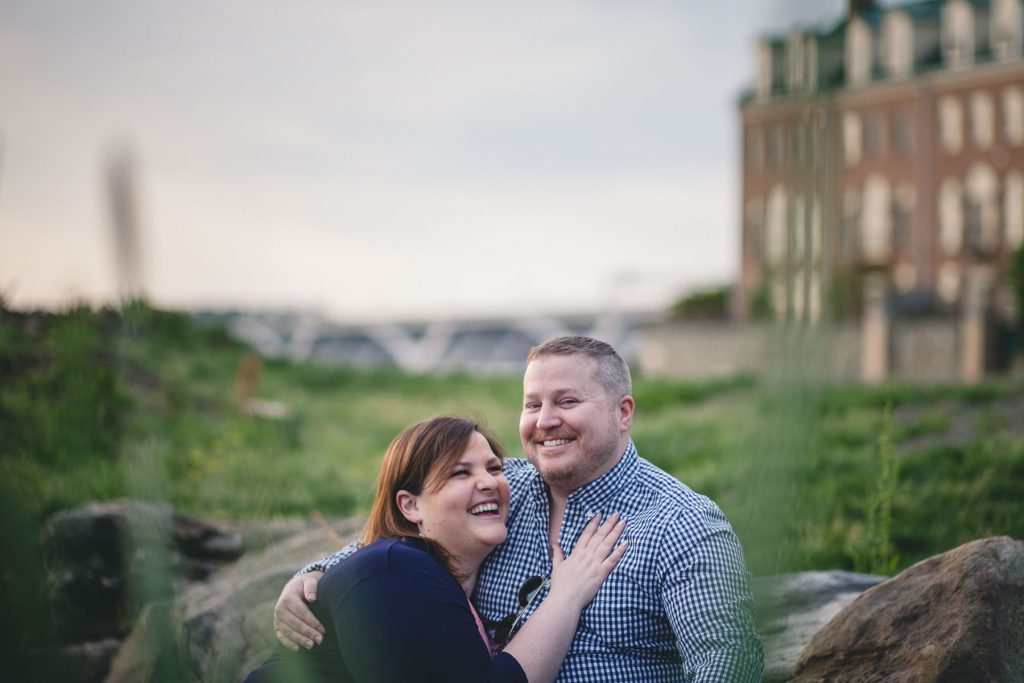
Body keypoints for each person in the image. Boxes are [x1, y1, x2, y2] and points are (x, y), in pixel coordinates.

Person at [275, 337, 763, 681]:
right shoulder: (503, 485)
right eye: (532, 405)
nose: (545, 421)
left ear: (623, 412)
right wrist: (313, 575)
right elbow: (406, 539)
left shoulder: (683, 524)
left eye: (566, 400)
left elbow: (725, 661)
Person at [248, 415, 626, 683]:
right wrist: (565, 598)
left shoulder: (422, 573)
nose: (489, 482)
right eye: (460, 473)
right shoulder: (393, 571)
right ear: (410, 506)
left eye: (494, 469)